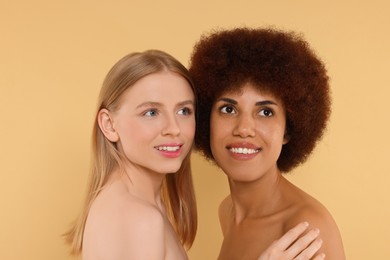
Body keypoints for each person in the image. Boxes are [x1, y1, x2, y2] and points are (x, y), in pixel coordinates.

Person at [64, 49, 324, 259]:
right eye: (151, 112)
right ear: (109, 125)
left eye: (184, 111)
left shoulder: (133, 203)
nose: (173, 129)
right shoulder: (138, 219)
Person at [189, 27, 345, 259]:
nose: (243, 129)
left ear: (288, 131)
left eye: (265, 112)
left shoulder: (305, 228)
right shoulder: (227, 210)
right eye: (228, 109)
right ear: (206, 120)